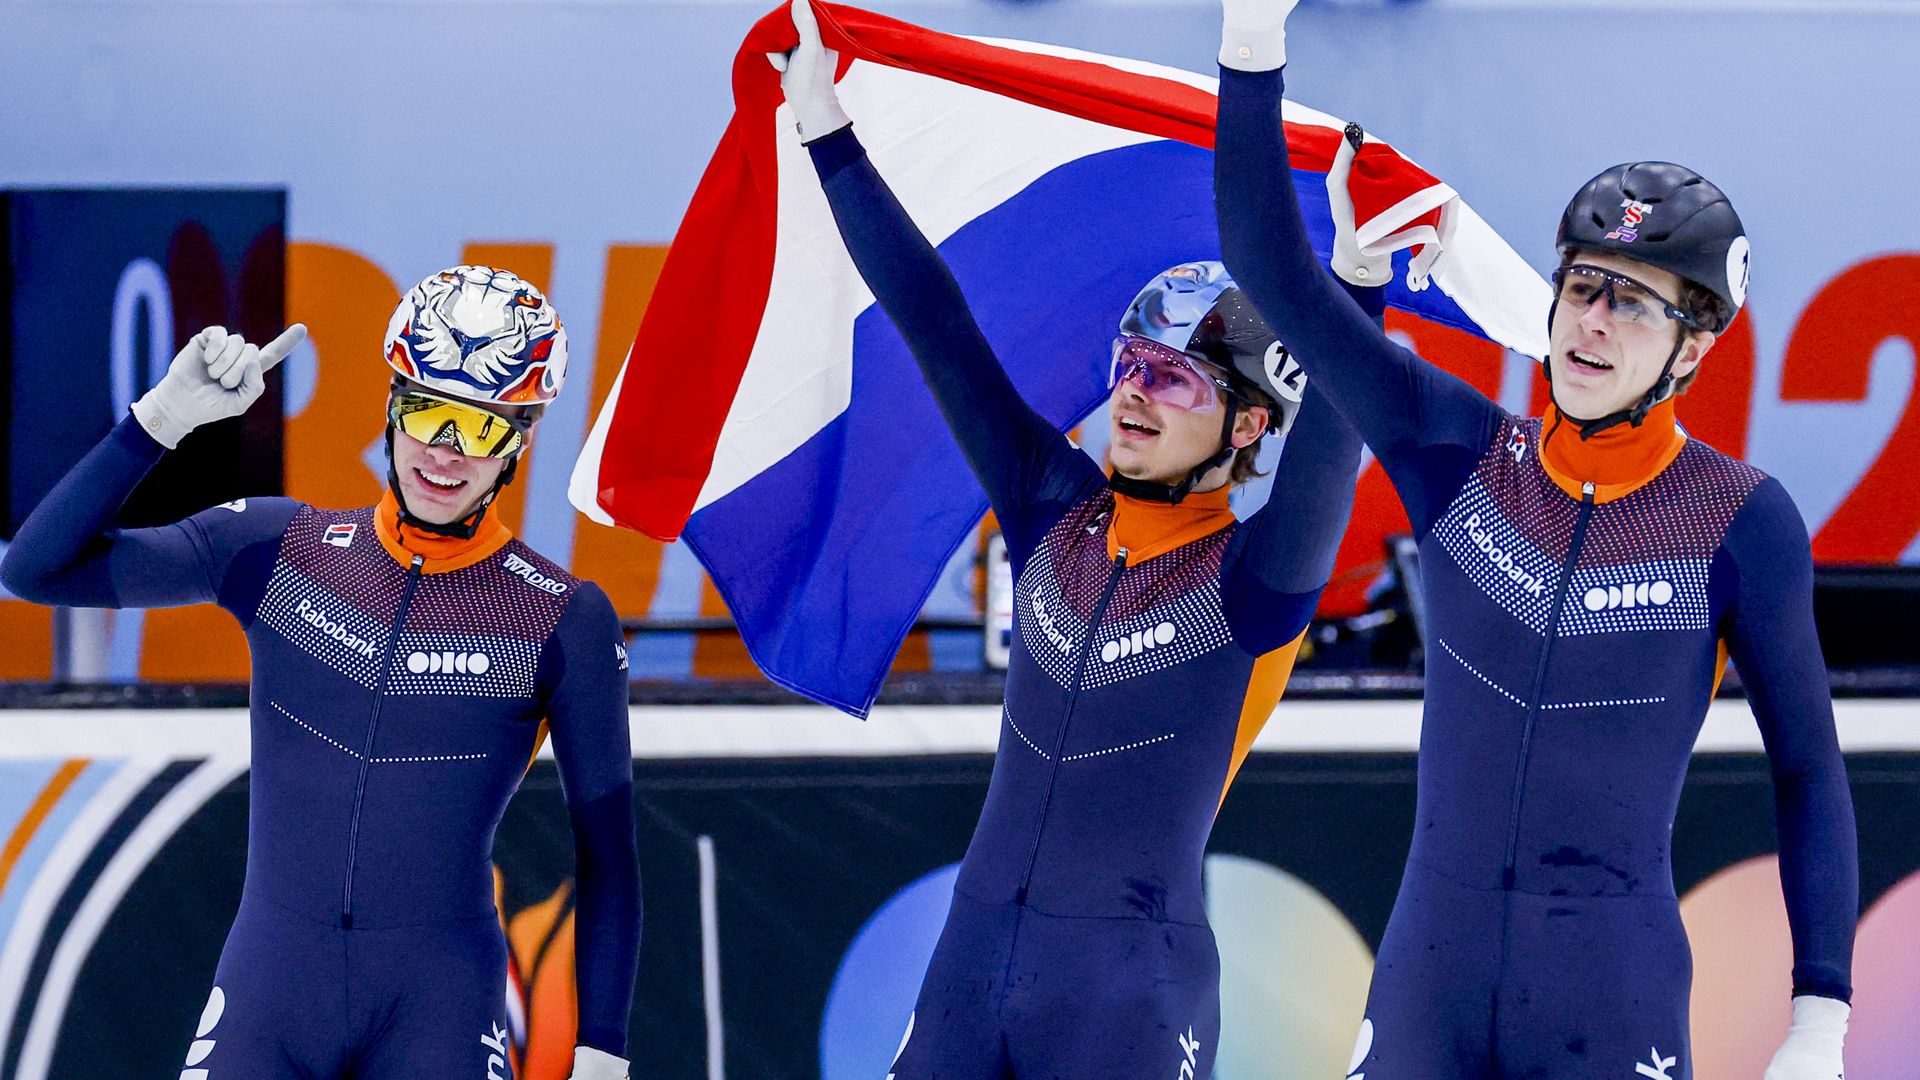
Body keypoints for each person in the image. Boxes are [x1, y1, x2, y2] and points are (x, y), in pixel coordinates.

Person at [1209, 4, 1858, 1077]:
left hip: (1610, 993)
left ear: (1693, 352)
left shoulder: (1739, 517)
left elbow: (1807, 767)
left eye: (1635, 305)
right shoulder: (1455, 448)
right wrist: (1249, 41)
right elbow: (1268, 270)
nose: (1592, 322)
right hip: (1430, 982)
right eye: (1583, 286)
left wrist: (1821, 1013)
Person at [769, 1, 1386, 1074]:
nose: (1137, 395)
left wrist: (1360, 296)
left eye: (1178, 376)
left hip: (1128, 996)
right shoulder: (1052, 509)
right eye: (1131, 364)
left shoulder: (1255, 583)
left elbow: (1336, 446)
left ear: (1247, 427)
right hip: (968, 975)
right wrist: (829, 138)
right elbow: (936, 322)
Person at [0, 266, 640, 1080]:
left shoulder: (561, 618)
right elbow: (36, 570)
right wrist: (160, 421)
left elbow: (610, 856)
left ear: (519, 439)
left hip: (438, 1004)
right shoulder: (277, 549)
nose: (445, 454)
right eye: (428, 414)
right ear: (390, 406)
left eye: (479, 430)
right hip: (272, 990)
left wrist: (603, 1056)